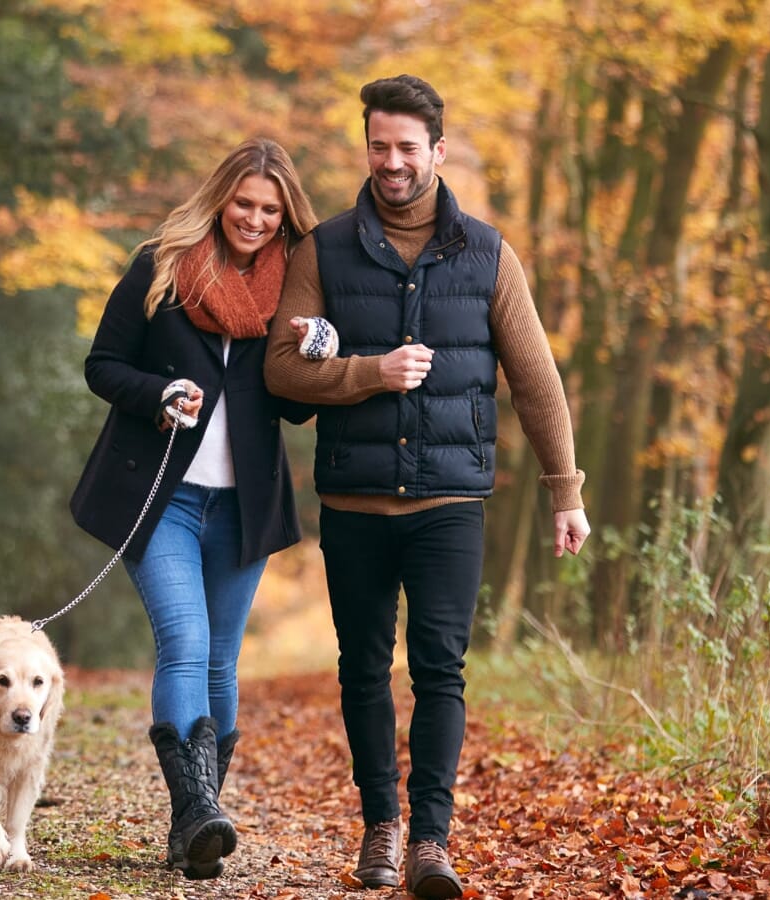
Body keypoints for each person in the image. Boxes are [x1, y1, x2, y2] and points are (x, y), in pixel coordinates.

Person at [264, 75, 591, 899]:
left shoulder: (487, 254)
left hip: (450, 504)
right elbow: (279, 371)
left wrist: (566, 491)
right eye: (380, 146)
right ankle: (381, 829)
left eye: (409, 148)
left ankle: (432, 843)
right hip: (354, 503)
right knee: (364, 670)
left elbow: (538, 381)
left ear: (438, 152)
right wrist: (368, 373)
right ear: (366, 147)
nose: (393, 162)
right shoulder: (324, 251)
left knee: (441, 670)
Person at [70, 137, 319, 880]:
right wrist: (159, 394)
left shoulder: (296, 290)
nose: (255, 218)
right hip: (162, 497)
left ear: (285, 216)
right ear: (220, 198)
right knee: (184, 640)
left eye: (270, 210)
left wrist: (314, 351)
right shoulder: (162, 266)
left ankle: (195, 824)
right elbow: (102, 365)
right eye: (244, 203)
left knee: (221, 658)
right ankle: (198, 814)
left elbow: (299, 412)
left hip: (244, 508)